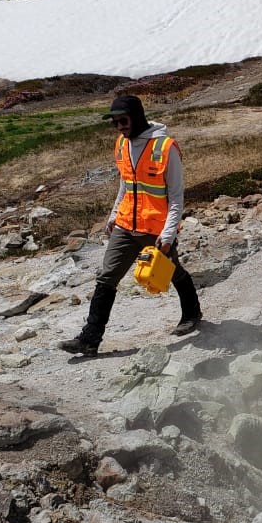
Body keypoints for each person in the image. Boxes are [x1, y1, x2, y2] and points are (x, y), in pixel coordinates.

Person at [60, 95, 202, 355]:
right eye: (114, 123)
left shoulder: (165, 147)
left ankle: (192, 314)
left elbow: (176, 195)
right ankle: (89, 339)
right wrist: (114, 215)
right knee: (107, 277)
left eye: (123, 120)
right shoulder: (122, 145)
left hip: (155, 229)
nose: (119, 127)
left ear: (136, 116)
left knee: (172, 272)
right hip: (126, 225)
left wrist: (169, 233)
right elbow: (126, 184)